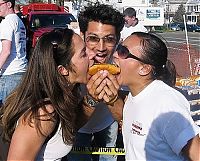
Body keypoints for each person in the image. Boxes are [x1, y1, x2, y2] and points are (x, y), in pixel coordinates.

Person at [0, 28, 93, 160]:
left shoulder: (61, 97)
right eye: (83, 54)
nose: (92, 55)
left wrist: (92, 98)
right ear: (63, 70)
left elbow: (66, 130)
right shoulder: (42, 114)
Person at [113, 32, 200, 160]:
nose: (114, 55)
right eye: (118, 48)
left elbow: (196, 154)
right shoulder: (133, 95)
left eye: (123, 52)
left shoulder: (166, 103)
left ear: (144, 68)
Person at [66, 3, 125, 161]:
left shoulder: (124, 65)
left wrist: (114, 99)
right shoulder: (70, 63)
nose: (101, 48)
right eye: (93, 39)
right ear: (82, 34)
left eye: (109, 39)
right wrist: (91, 99)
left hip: (108, 124)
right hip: (79, 129)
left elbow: (126, 117)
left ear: (118, 39)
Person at [0, 0, 27, 103]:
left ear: (9, 4)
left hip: (9, 75)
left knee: (6, 115)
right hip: (21, 73)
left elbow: (6, 51)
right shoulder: (19, 21)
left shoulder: (7, 22)